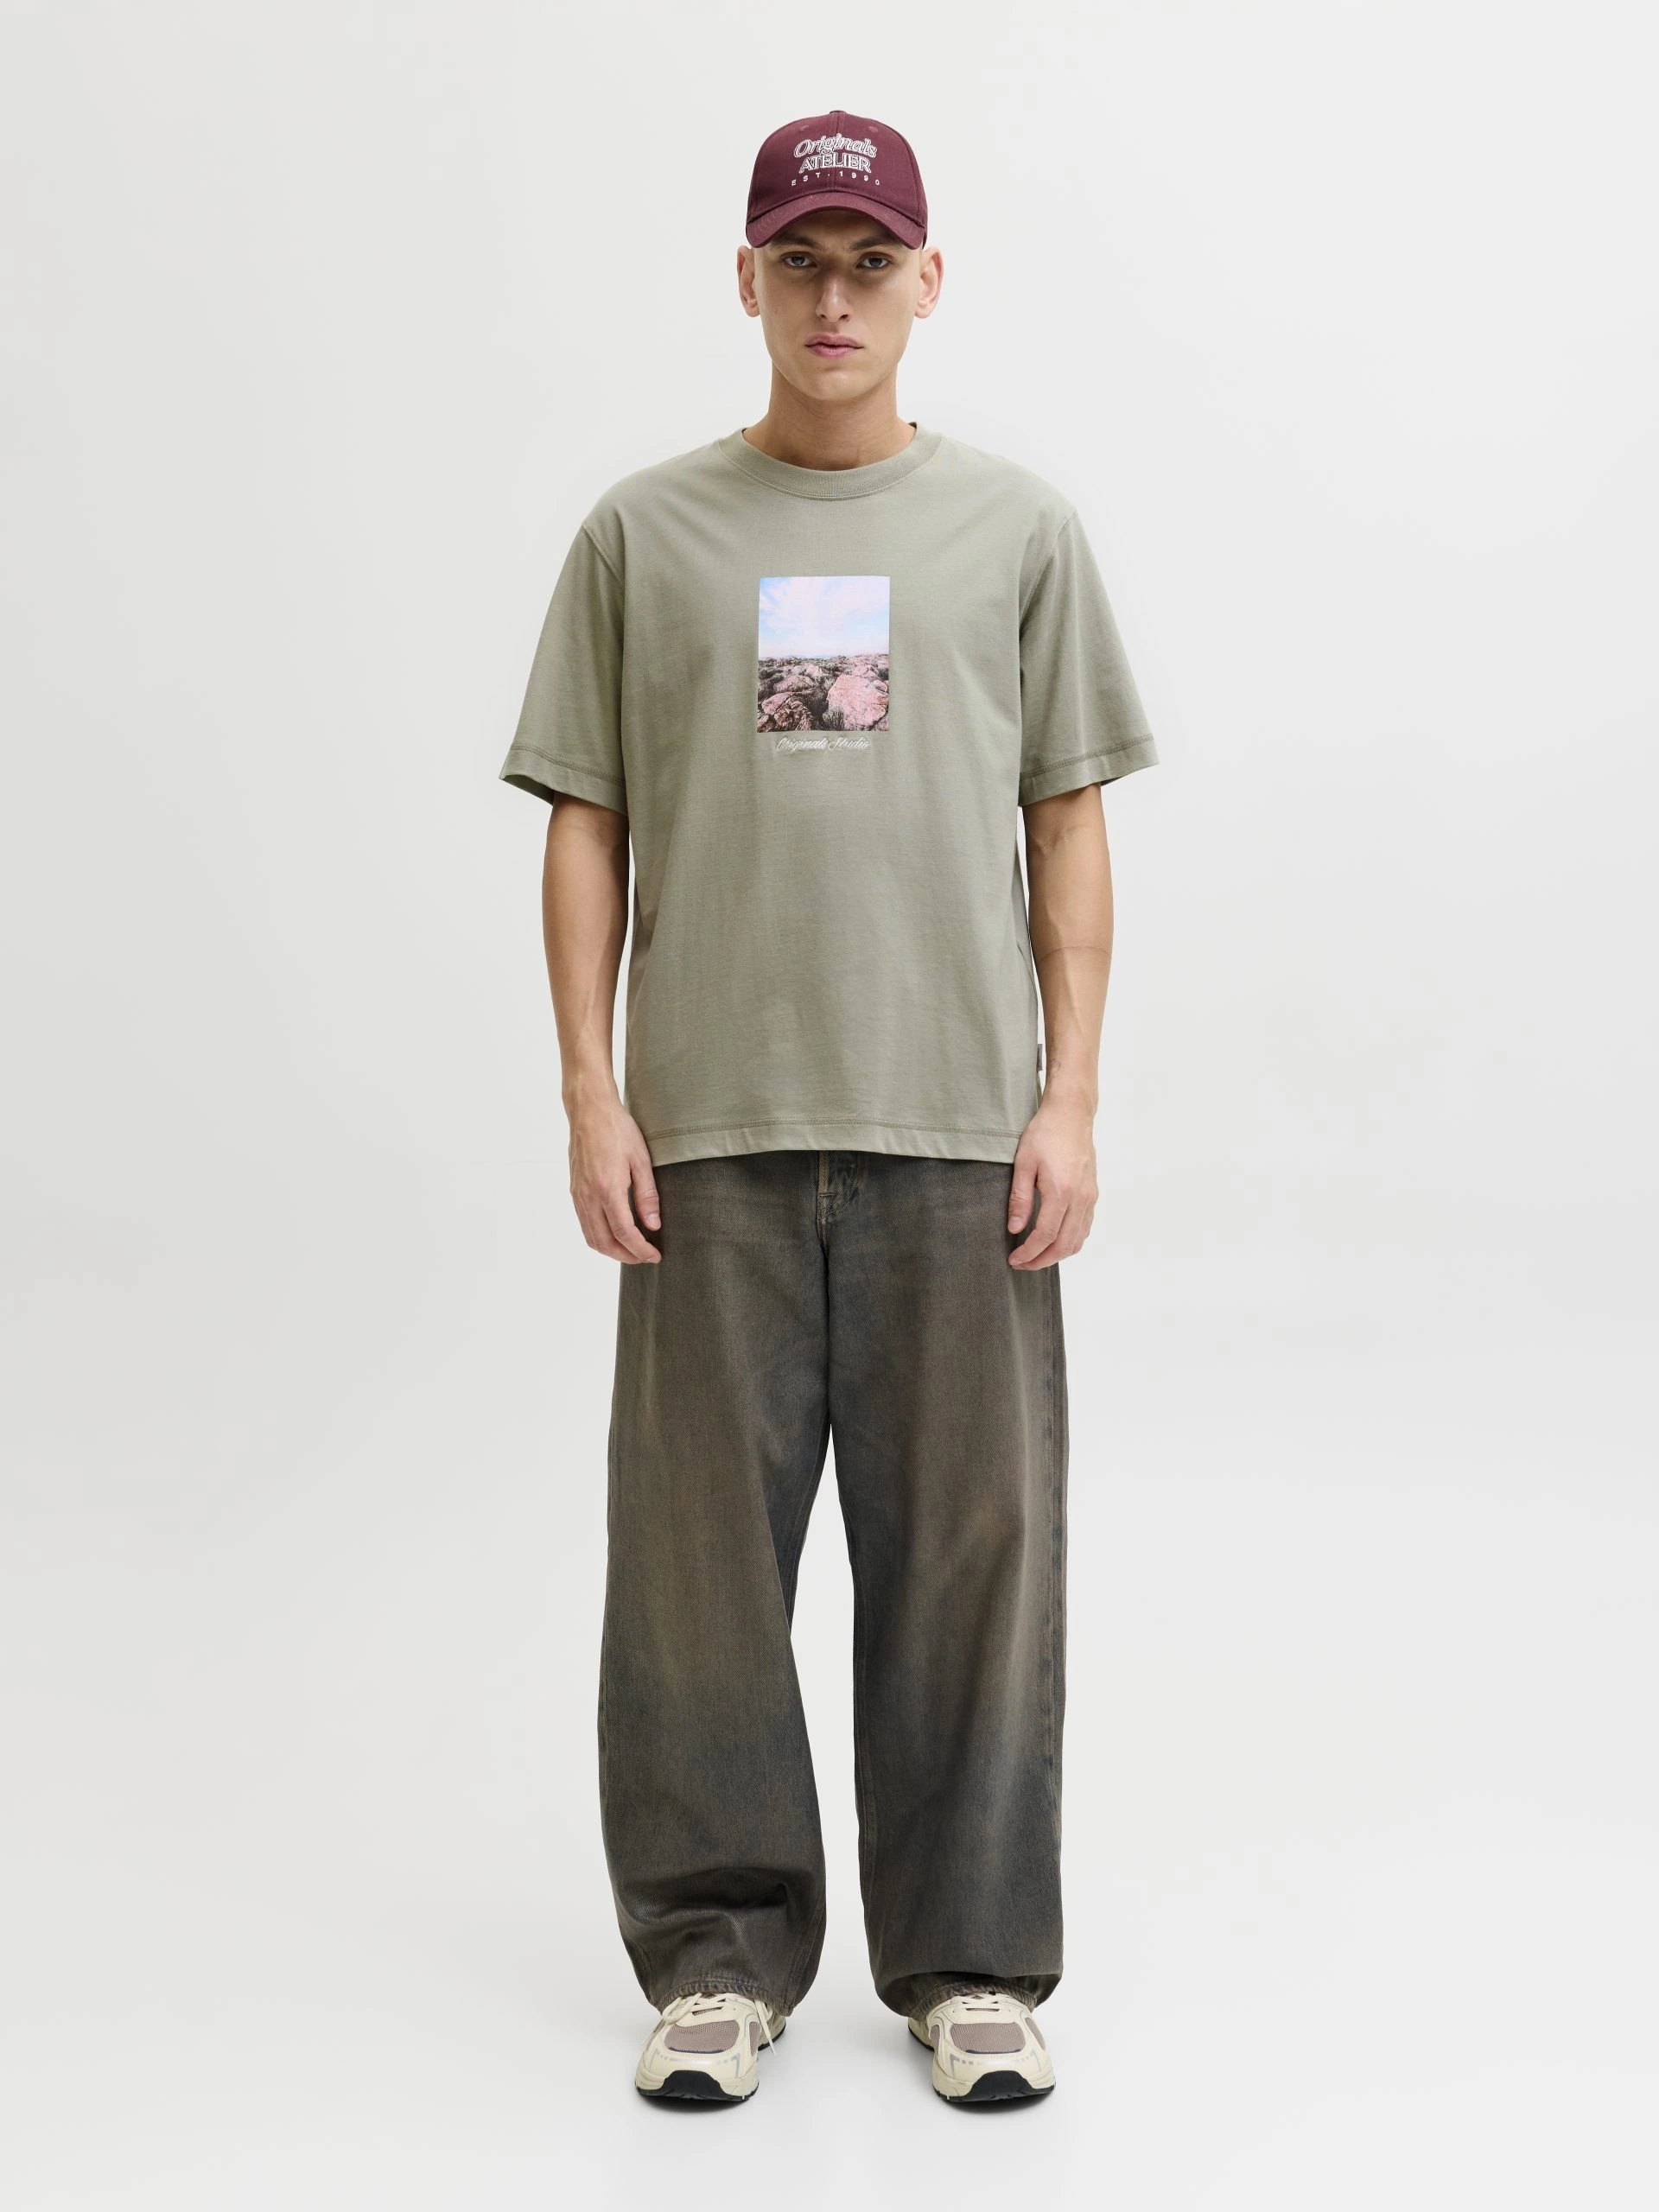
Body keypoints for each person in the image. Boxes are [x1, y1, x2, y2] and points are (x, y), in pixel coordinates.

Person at [498, 107, 1159, 2107]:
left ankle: (971, 1961)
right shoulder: (645, 534)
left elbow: (1069, 824)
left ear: (928, 282)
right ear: (747, 279)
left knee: (970, 1561)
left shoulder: (1017, 532)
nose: (835, 296)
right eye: (801, 259)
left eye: (872, 261)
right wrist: (592, 1089)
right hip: (709, 1136)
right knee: (695, 1570)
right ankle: (717, 1953)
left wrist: (1072, 1098)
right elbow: (586, 818)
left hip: (959, 1133)